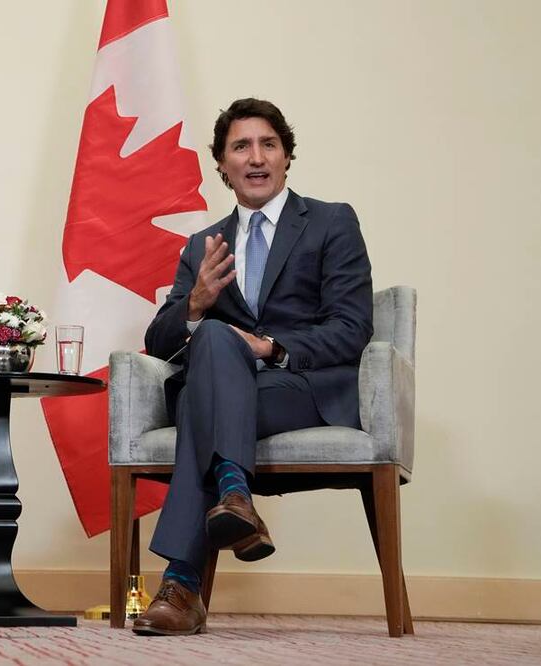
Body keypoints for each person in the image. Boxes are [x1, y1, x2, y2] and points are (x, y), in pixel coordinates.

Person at [134, 98, 374, 636]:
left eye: (269, 144)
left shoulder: (332, 221)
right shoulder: (204, 245)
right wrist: (195, 304)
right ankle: (235, 497)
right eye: (241, 146)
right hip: (228, 393)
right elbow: (159, 340)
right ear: (222, 165)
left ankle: (180, 583)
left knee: (208, 386)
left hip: (298, 388)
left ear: (288, 157)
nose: (257, 157)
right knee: (215, 336)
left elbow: (353, 326)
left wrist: (267, 346)